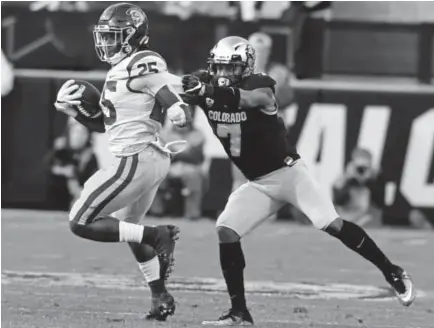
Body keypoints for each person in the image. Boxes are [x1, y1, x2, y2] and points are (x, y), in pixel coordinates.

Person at [181, 36, 415, 326]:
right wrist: (186, 91)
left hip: (289, 174)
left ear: (246, 67)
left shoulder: (260, 85)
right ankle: (239, 312)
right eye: (219, 68)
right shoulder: (209, 86)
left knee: (331, 223)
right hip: (258, 182)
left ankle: (392, 271)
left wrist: (206, 89)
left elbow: (249, 99)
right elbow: (185, 88)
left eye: (231, 68)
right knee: (226, 230)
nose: (223, 74)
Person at [53, 3, 190, 321]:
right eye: (104, 36)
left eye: (113, 36)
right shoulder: (122, 69)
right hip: (147, 158)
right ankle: (160, 297)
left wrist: (175, 107)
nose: (105, 42)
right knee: (128, 230)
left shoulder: (144, 60)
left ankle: (159, 236)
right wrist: (74, 111)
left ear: (134, 36)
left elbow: (163, 87)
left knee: (80, 221)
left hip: (136, 158)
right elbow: (104, 124)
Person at [47, 120, 98, 210]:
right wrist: (62, 171)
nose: (78, 137)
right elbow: (47, 167)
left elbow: (93, 183)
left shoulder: (90, 157)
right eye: (75, 132)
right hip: (54, 202)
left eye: (82, 133)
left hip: (79, 202)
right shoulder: (61, 151)